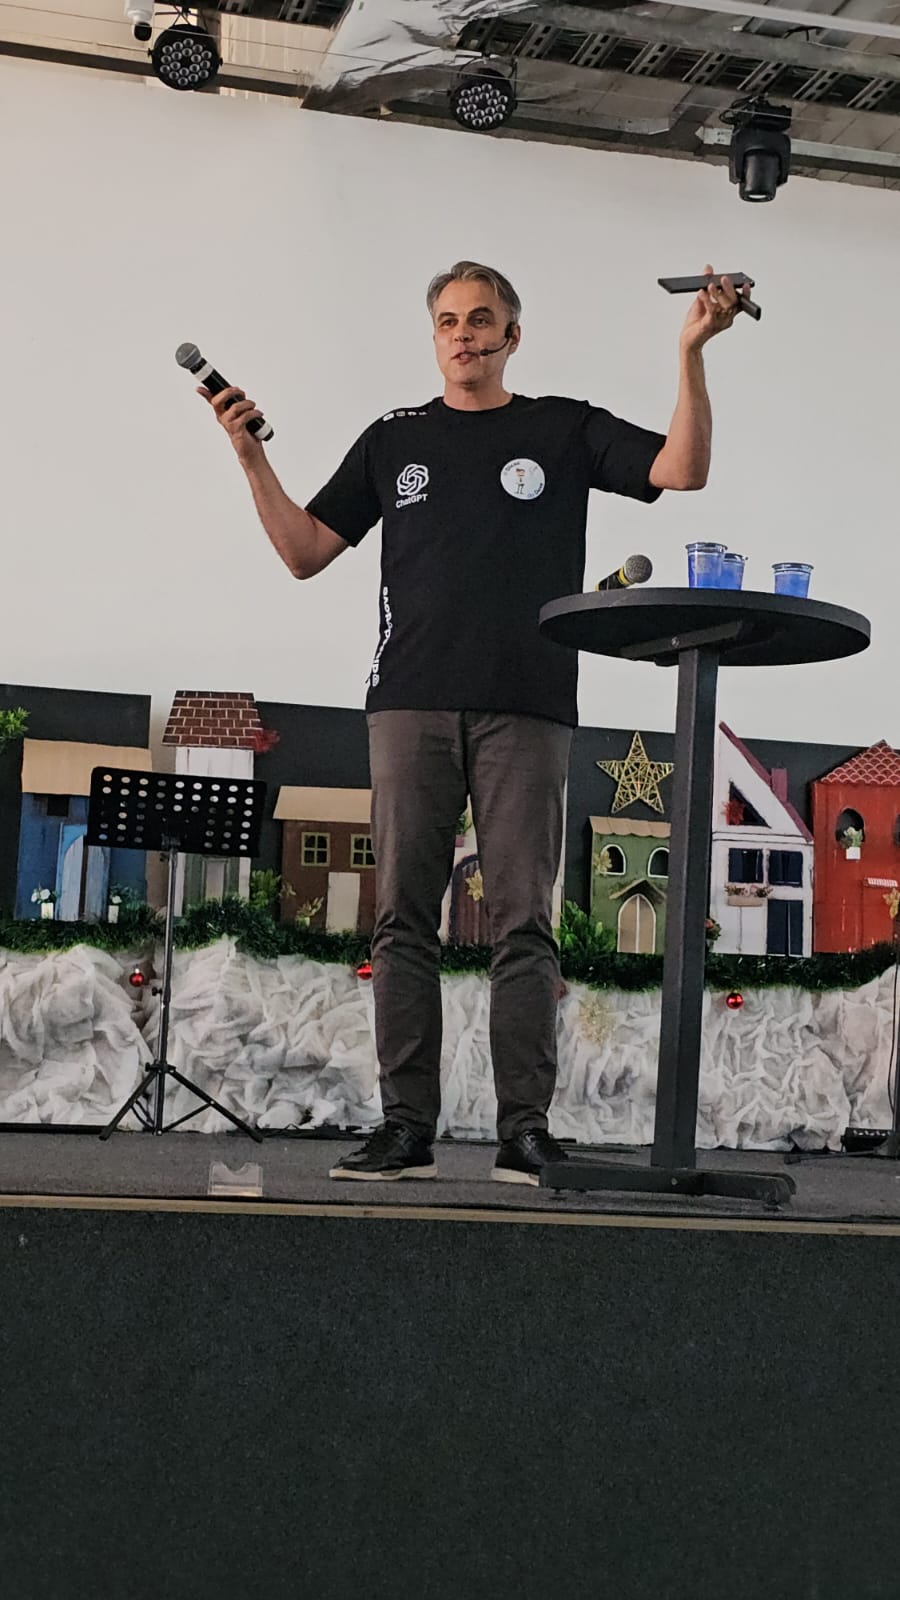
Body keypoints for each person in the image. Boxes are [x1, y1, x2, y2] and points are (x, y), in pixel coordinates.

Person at [200, 259, 745, 1184]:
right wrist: (250, 453)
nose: (465, 333)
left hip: (528, 705)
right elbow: (303, 551)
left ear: (511, 336)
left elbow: (681, 470)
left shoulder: (562, 427)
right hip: (407, 702)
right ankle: (405, 1129)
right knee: (402, 921)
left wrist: (691, 349)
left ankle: (523, 1132)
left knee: (524, 923)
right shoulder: (394, 439)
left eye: (482, 319)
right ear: (435, 337)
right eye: (449, 320)